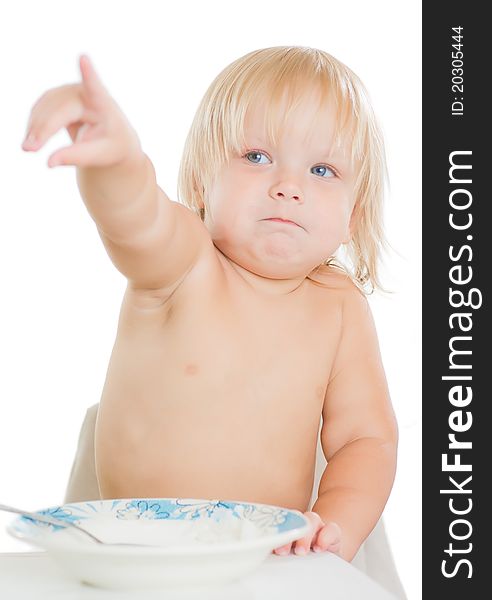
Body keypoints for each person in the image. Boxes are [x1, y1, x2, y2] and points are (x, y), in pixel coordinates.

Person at [22, 46, 398, 566]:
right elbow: (135, 217)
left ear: (352, 214)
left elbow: (366, 439)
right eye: (257, 157)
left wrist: (334, 525)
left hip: (262, 559)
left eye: (322, 169)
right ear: (202, 182)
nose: (289, 187)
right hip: (131, 554)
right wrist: (116, 159)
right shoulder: (185, 261)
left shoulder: (340, 308)